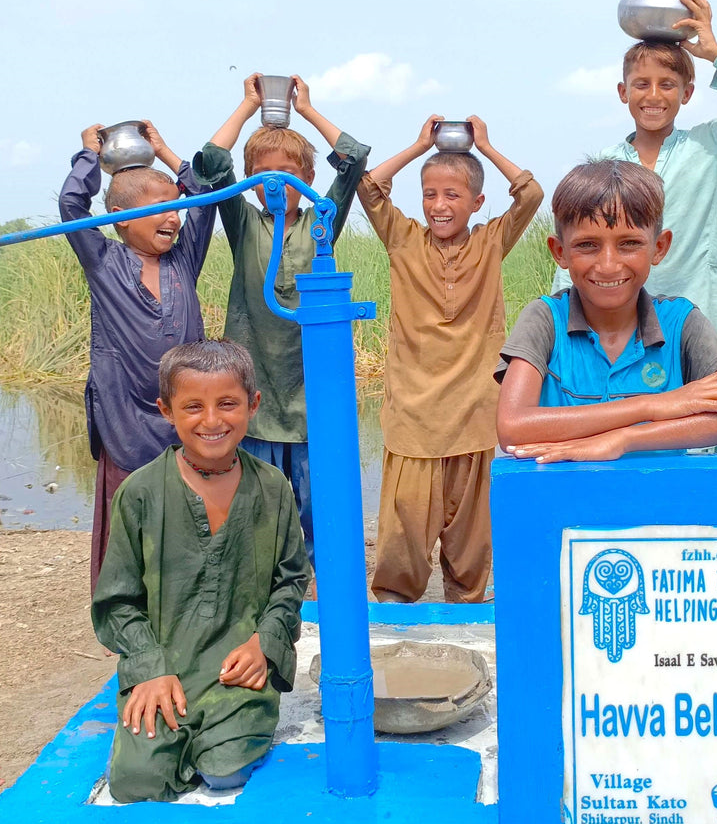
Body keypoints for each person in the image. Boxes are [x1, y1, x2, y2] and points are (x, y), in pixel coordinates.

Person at [92, 339, 310, 803]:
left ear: (253, 404)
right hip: (165, 666)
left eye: (227, 404)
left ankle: (231, 729)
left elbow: (291, 580)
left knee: (224, 770)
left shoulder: (272, 488)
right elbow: (117, 601)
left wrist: (265, 643)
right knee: (136, 781)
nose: (212, 421)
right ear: (166, 410)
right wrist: (149, 668)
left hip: (238, 670)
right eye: (193, 406)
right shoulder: (140, 493)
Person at [358, 115, 543, 603]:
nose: (439, 206)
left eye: (452, 195)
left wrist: (487, 146)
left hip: (474, 419)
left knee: (470, 552)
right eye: (430, 195)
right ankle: (397, 619)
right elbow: (369, 187)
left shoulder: (490, 242)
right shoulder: (403, 239)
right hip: (413, 422)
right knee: (401, 549)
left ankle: (467, 614)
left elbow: (530, 195)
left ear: (477, 202)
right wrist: (420, 145)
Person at [194, 74, 370, 571]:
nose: (276, 183)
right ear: (250, 180)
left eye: (288, 173)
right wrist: (248, 105)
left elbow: (354, 160)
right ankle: (263, 585)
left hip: (311, 396)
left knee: (318, 510)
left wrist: (307, 110)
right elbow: (211, 162)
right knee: (257, 511)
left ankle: (318, 586)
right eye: (263, 173)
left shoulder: (322, 221)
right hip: (258, 396)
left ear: (307, 178)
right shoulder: (243, 221)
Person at [551, 0, 717, 343]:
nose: (654, 95)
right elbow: (578, 247)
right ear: (623, 92)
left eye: (667, 84)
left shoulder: (713, 149)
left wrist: (716, 54)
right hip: (616, 333)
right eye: (641, 84)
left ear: (687, 93)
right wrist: (560, 328)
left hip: (697, 332)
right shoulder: (605, 165)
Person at [496, 160, 717, 463]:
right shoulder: (546, 319)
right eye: (587, 245)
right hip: (563, 495)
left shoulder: (680, 322)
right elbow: (512, 427)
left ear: (659, 247)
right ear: (560, 252)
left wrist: (624, 439)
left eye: (629, 243)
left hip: (658, 494)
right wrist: (651, 406)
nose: (608, 265)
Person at [60, 122, 219, 593]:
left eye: (175, 207)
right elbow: (71, 206)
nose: (173, 218)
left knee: (189, 513)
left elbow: (204, 198)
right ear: (121, 218)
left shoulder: (184, 259)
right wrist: (89, 154)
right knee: (130, 518)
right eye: (159, 209)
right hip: (124, 417)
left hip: (184, 418)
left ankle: (188, 599)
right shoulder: (103, 260)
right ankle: (126, 607)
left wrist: (164, 150)